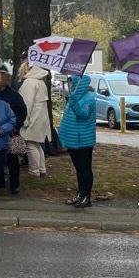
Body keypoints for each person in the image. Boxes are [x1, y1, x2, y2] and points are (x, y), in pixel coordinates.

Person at [59, 74, 97, 208]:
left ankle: (87, 197)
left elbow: (83, 115)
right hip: (73, 140)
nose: (70, 86)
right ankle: (80, 194)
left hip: (83, 141)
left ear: (78, 84)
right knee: (79, 169)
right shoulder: (73, 98)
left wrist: (73, 101)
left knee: (85, 169)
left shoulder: (89, 99)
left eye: (72, 83)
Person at [0, 70, 27, 194]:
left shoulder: (14, 96)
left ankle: (14, 184)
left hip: (11, 132)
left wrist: (16, 125)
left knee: (12, 159)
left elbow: (22, 111)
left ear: (3, 80)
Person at [17, 63, 51, 177]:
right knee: (37, 144)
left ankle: (34, 170)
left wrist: (25, 120)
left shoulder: (29, 82)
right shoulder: (41, 82)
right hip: (41, 117)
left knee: (30, 143)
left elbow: (27, 103)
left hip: (33, 117)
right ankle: (42, 169)